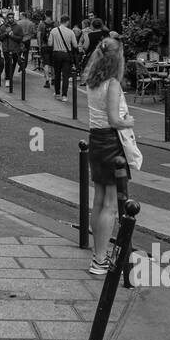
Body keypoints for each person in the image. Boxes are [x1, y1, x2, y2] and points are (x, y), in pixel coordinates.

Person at [83, 38, 135, 276]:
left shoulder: (92, 81)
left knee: (99, 199)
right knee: (111, 205)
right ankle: (100, 259)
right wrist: (129, 121)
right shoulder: (112, 84)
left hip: (95, 140)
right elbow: (115, 120)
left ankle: (97, 253)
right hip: (111, 142)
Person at [47, 15, 79, 102]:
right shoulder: (70, 32)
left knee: (57, 74)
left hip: (56, 54)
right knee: (65, 76)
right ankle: (64, 95)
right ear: (67, 22)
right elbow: (75, 45)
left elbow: (49, 44)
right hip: (66, 55)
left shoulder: (53, 31)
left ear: (60, 21)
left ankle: (57, 93)